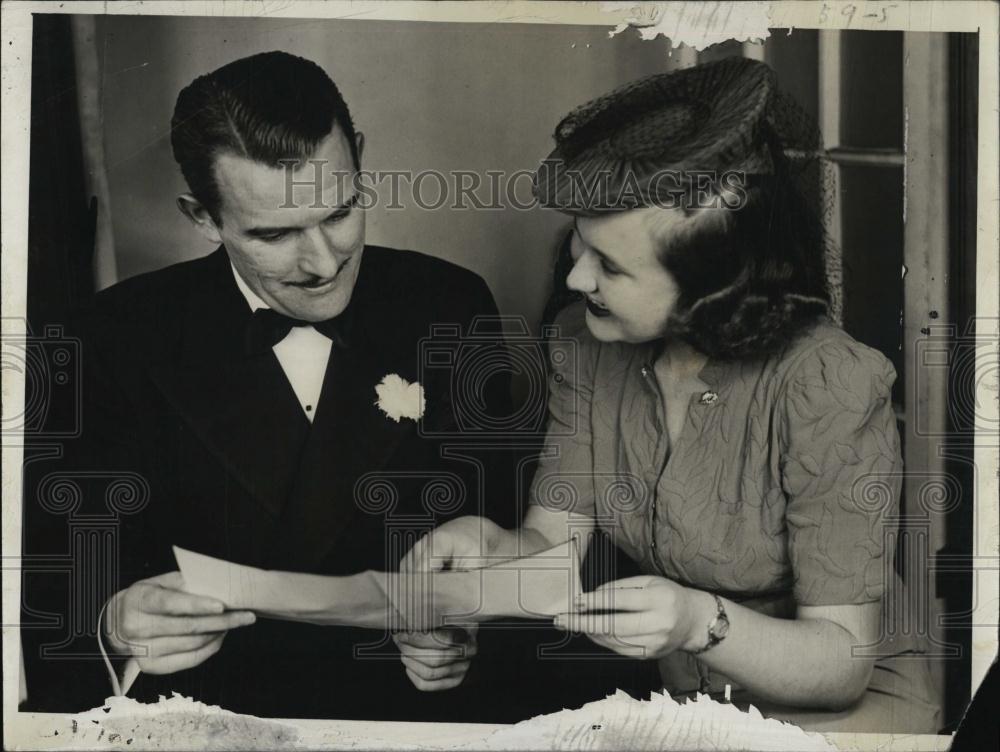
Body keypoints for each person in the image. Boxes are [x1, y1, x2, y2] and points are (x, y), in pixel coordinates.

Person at [401, 58, 942, 733]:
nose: (574, 277)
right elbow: (553, 547)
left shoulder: (829, 381)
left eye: (612, 266)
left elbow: (841, 665)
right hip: (698, 698)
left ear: (710, 286)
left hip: (851, 704)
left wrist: (695, 620)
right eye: (580, 244)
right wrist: (487, 546)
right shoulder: (585, 344)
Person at [19, 50, 514, 720]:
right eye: (275, 235)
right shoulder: (109, 336)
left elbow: (508, 524)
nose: (324, 261)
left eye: (341, 212)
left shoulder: (451, 303)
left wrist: (463, 625)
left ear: (359, 157)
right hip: (210, 720)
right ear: (202, 217)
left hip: (408, 712)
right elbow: (54, 574)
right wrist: (113, 623)